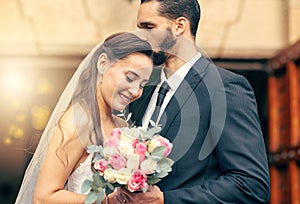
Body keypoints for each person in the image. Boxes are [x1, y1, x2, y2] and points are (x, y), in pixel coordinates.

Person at [117, 0, 270, 203]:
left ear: (179, 26)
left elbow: (251, 184)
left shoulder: (225, 88)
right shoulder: (141, 92)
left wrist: (166, 200)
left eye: (149, 27)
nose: (142, 38)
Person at [15, 32, 154, 204]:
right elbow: (43, 197)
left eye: (142, 85)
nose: (135, 91)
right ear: (103, 64)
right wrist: (106, 201)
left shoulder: (122, 124)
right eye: (130, 77)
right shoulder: (78, 120)